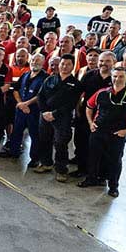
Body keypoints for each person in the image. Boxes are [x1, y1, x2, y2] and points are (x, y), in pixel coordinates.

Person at [79, 66, 126, 197]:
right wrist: (91, 123)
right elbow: (89, 107)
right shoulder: (101, 93)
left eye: (121, 76)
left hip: (117, 134)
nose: (117, 79)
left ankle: (113, 186)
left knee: (115, 161)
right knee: (93, 157)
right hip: (98, 132)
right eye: (115, 76)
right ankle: (91, 179)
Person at [35, 54, 83, 182]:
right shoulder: (50, 79)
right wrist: (45, 112)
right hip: (45, 116)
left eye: (68, 64)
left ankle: (61, 170)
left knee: (60, 143)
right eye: (62, 63)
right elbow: (40, 97)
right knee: (44, 140)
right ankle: (46, 163)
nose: (64, 66)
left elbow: (71, 104)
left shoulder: (75, 84)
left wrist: (54, 114)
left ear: (73, 66)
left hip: (62, 118)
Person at [4, 53, 48, 163]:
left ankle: (34, 159)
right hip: (21, 109)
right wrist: (20, 103)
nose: (34, 62)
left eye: (38, 60)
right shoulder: (25, 74)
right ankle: (14, 152)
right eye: (33, 60)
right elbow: (15, 90)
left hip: (34, 111)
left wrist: (26, 104)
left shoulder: (46, 78)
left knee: (35, 135)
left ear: (43, 63)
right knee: (16, 132)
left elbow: (41, 95)